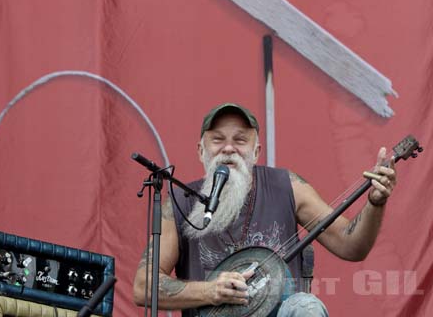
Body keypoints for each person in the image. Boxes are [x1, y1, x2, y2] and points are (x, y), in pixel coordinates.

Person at [132, 103, 397, 316]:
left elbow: (351, 245)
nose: (228, 148)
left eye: (240, 140)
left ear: (256, 151)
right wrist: (211, 291)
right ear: (201, 150)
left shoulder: (288, 187)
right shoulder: (179, 201)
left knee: (306, 308)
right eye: (217, 140)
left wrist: (375, 203)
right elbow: (143, 287)